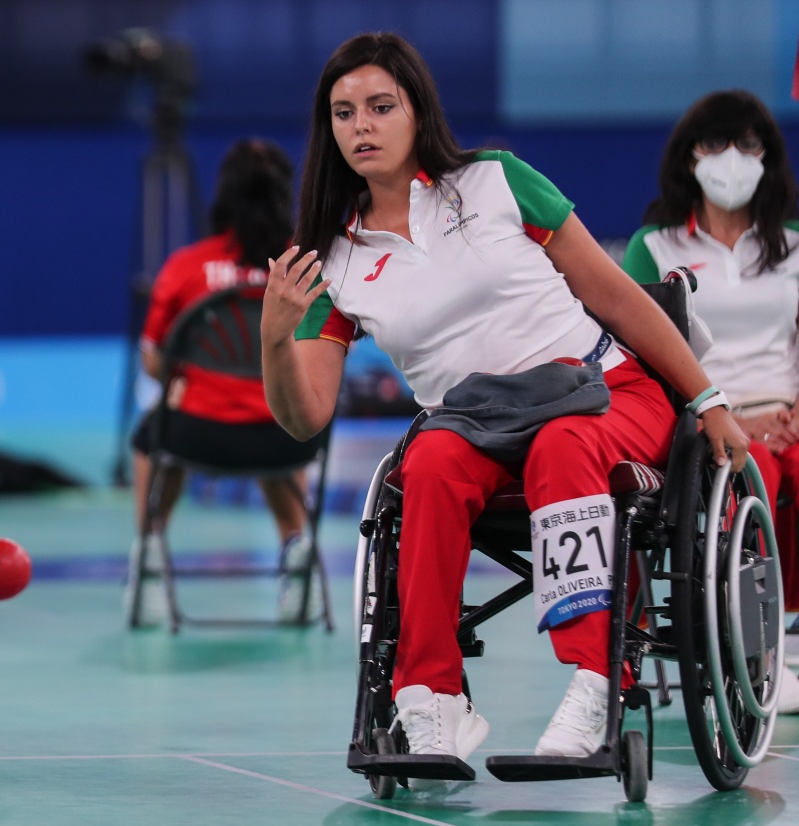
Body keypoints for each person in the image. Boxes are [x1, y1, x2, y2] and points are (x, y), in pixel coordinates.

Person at [261, 34, 748, 769]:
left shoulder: (497, 181)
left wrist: (707, 399)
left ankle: (595, 682)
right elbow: (306, 416)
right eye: (343, 113)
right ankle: (433, 701)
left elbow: (616, 295)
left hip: (606, 396)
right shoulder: (332, 255)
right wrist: (273, 339)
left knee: (562, 444)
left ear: (417, 111)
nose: (361, 125)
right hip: (478, 424)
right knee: (425, 465)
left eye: (380, 107)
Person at [622, 90, 799, 711]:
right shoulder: (657, 246)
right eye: (714, 143)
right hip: (707, 419)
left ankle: (791, 635)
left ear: (768, 158)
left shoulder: (795, 244)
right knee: (754, 475)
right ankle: (761, 646)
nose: (731, 158)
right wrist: (734, 415)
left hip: (789, 411)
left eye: (747, 145)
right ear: (688, 157)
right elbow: (647, 356)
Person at [126, 139, 326, 622]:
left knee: (153, 437)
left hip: (198, 435)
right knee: (288, 418)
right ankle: (297, 556)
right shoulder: (306, 269)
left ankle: (150, 558)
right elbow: (320, 358)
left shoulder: (185, 267)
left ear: (224, 196)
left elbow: (155, 364)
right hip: (284, 444)